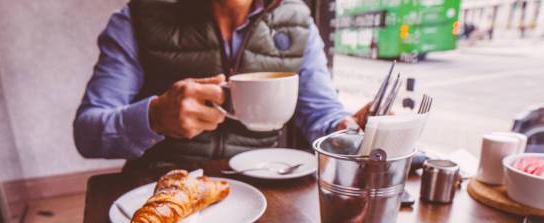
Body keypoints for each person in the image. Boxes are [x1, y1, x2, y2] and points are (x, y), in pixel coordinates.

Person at [74, 0, 369, 162]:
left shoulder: (299, 23)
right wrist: (154, 117)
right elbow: (87, 133)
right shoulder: (136, 19)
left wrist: (351, 128)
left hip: (266, 183)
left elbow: (322, 115)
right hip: (162, 187)